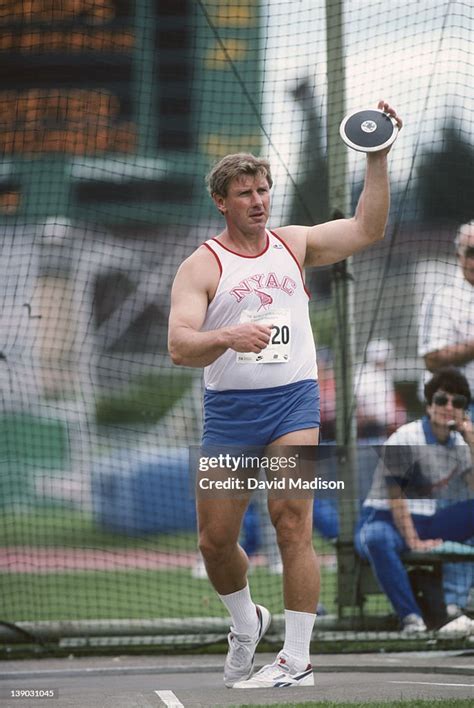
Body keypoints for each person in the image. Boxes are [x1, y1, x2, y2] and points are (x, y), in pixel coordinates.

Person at [168, 100, 402, 689]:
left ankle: (297, 660)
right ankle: (247, 623)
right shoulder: (202, 265)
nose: (259, 201)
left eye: (264, 190)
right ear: (222, 201)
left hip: (293, 402)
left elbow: (367, 229)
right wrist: (227, 335)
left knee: (291, 520)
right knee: (215, 543)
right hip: (229, 414)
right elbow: (179, 347)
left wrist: (377, 158)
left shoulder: (294, 244)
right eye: (246, 193)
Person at [354, 367, 474, 635]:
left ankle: (453, 605)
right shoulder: (405, 437)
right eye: (442, 400)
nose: (448, 407)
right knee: (376, 538)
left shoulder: (460, 444)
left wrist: (471, 440)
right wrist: (413, 541)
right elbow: (395, 498)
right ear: (429, 404)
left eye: (458, 402)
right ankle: (411, 617)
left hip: (427, 521)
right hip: (384, 520)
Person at [419, 220, 474, 420]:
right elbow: (432, 358)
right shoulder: (443, 297)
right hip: (455, 407)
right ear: (459, 255)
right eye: (472, 252)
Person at [355, 338, 399, 439]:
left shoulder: (385, 375)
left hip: (385, 427)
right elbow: (357, 402)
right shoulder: (364, 373)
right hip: (369, 427)